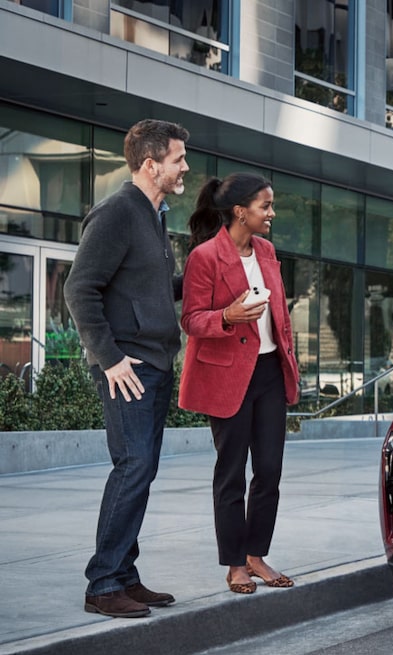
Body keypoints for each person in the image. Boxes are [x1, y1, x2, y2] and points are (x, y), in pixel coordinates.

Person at [65, 119, 190, 618]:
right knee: (133, 466)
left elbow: (156, 290)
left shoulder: (154, 216)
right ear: (150, 163)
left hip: (156, 361)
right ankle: (103, 583)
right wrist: (110, 358)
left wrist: (209, 271)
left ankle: (125, 574)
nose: (185, 167)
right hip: (128, 365)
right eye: (178, 159)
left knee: (144, 468)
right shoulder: (117, 212)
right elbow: (80, 290)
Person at [179, 173, 300, 595]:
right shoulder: (205, 257)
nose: (271, 213)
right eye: (265, 206)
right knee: (231, 473)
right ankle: (235, 565)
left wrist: (289, 356)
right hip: (227, 375)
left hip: (268, 371)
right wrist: (227, 317)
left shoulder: (267, 251)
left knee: (269, 471)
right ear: (239, 212)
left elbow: (278, 312)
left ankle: (256, 555)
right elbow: (191, 319)